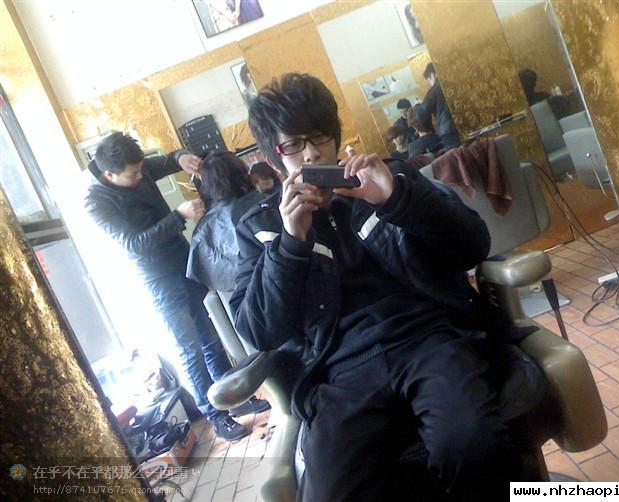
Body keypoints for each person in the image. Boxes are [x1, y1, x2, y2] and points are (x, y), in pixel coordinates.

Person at [230, 73, 523, 501]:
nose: (311, 152)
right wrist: (290, 244)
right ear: (275, 160)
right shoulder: (260, 226)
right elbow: (259, 331)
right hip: (339, 370)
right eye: (292, 144)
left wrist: (396, 199)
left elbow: (473, 245)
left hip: (430, 338)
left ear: (335, 136)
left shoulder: (391, 176)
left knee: (472, 445)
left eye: (319, 136)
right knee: (332, 493)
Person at [85, 133, 269, 441]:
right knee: (190, 346)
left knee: (210, 336)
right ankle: (215, 415)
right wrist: (178, 216)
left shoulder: (136, 168)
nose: (141, 176)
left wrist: (181, 156)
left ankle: (233, 400)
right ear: (109, 174)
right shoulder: (97, 202)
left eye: (141, 169)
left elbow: (170, 160)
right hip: (158, 277)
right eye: (133, 174)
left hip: (183, 259)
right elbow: (134, 244)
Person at [186, 151, 269, 294]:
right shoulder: (267, 204)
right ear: (243, 173)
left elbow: (209, 283)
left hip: (239, 301)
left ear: (207, 185)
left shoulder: (203, 228)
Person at [422, 63, 462, 150]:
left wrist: (429, 129)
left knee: (456, 156)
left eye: (429, 80)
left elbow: (423, 113)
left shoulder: (433, 91)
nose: (430, 83)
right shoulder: (454, 84)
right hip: (464, 125)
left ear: (432, 74)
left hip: (447, 131)